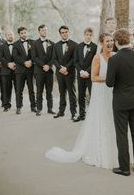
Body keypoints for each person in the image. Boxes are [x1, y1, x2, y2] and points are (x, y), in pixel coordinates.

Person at [45, 33, 118, 169]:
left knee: (111, 119)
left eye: (112, 40)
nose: (110, 43)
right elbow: (94, 78)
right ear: (102, 43)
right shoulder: (97, 57)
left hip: (112, 93)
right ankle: (99, 150)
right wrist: (108, 78)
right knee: (101, 118)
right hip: (101, 93)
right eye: (107, 41)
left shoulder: (115, 56)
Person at [106, 28, 134, 176]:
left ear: (117, 42)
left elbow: (109, 83)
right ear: (129, 40)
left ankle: (124, 168)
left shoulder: (114, 59)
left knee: (122, 135)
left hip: (121, 103)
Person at [52, 26, 77, 120]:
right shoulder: (56, 45)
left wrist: (66, 68)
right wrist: (60, 68)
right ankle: (61, 111)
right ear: (60, 34)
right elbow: (54, 59)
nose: (64, 34)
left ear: (68, 32)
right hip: (59, 73)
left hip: (70, 73)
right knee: (62, 93)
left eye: (66, 32)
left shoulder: (74, 45)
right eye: (62, 32)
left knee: (72, 94)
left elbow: (74, 59)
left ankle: (73, 113)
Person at [31, 25, 55, 116]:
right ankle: (39, 109)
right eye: (42, 30)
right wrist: (43, 65)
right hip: (39, 71)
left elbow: (53, 57)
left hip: (49, 71)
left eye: (45, 30)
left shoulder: (52, 43)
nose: (44, 31)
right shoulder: (34, 43)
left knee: (49, 91)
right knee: (39, 91)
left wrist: (49, 66)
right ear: (39, 31)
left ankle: (50, 108)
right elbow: (34, 57)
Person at [74, 27, 97, 122]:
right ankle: (82, 114)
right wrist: (80, 71)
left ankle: (93, 115)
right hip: (80, 75)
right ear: (84, 35)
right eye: (87, 35)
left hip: (90, 75)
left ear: (92, 36)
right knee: (81, 95)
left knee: (92, 95)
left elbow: (95, 62)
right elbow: (76, 61)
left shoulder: (95, 47)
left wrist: (87, 72)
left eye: (90, 35)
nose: (88, 36)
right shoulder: (78, 46)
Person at [13, 27, 36, 114]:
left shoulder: (33, 42)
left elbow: (35, 55)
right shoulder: (15, 44)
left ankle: (33, 106)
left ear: (27, 32)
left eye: (25, 32)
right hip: (20, 71)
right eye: (22, 33)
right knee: (19, 90)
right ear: (19, 34)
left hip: (30, 69)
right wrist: (24, 63)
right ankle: (19, 107)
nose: (24, 34)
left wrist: (31, 61)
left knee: (31, 89)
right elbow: (15, 56)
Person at [0, 30, 16, 112]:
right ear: (6, 37)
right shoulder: (2, 46)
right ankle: (6, 105)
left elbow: (21, 56)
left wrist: (15, 64)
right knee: (6, 89)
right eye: (8, 35)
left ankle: (18, 105)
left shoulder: (17, 45)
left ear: (14, 36)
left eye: (11, 34)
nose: (10, 36)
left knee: (18, 88)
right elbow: (1, 57)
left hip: (16, 70)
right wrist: (8, 64)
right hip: (5, 70)